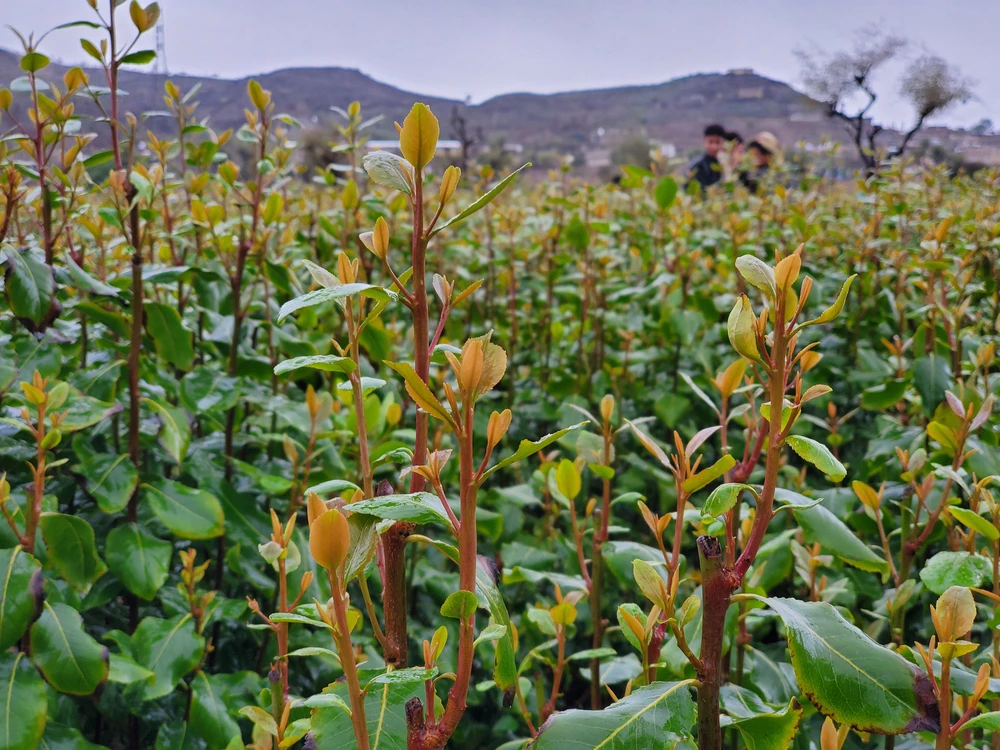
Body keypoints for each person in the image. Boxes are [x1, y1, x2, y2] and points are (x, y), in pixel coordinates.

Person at [686, 124, 726, 190]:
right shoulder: (698, 166)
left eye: (718, 142)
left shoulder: (725, 165)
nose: (714, 147)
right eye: (710, 142)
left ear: (723, 143)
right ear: (704, 142)